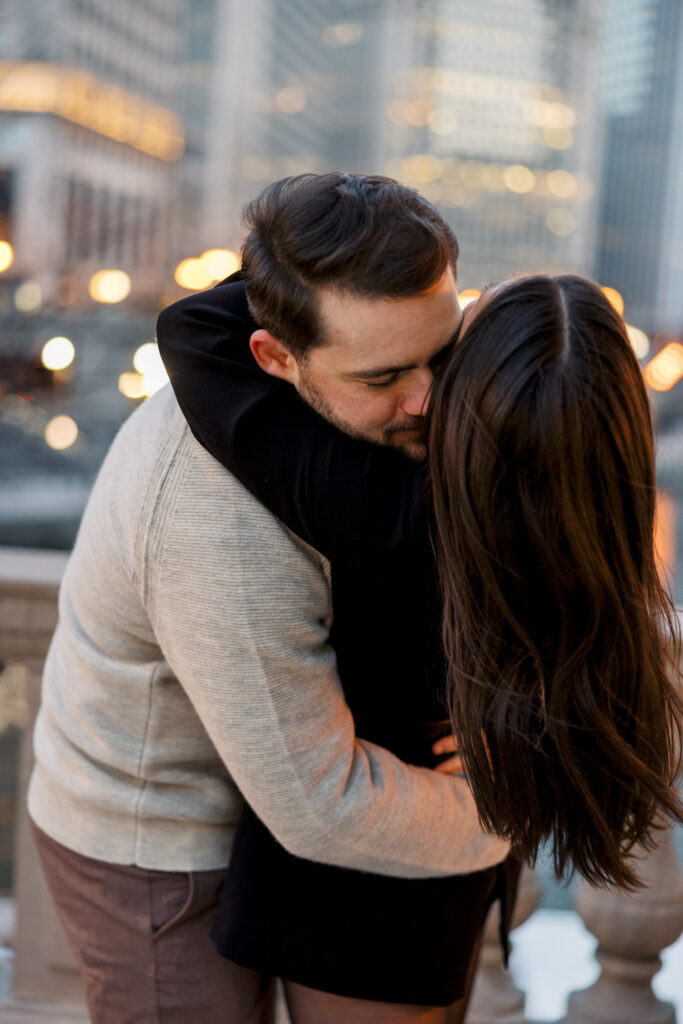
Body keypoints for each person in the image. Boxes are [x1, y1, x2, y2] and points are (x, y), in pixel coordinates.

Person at [158, 173, 683, 1023]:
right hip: (431, 884)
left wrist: (321, 270)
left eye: (453, 350)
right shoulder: (585, 554)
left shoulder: (390, 513)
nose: (428, 390)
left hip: (351, 898)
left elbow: (192, 327)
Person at [28, 173, 511, 1024]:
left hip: (270, 805)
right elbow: (320, 807)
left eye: (444, 353)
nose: (430, 401)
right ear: (274, 357)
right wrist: (510, 816)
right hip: (160, 844)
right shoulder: (217, 520)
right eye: (385, 376)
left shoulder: (315, 375)